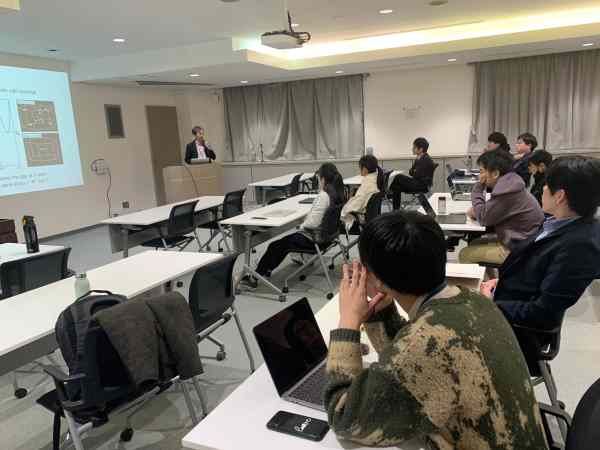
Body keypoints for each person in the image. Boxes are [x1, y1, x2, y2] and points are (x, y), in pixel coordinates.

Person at [324, 211, 548, 449]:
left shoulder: (426, 346)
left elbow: (344, 418)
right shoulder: (472, 300)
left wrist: (348, 321)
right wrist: (382, 310)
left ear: (375, 277)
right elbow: (406, 357)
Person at [480, 156, 600, 330]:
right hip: (507, 297)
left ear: (559, 196)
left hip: (515, 326)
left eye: (547, 185)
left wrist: (491, 305)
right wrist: (499, 283)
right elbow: (533, 271)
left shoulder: (580, 246)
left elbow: (543, 313)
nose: (543, 189)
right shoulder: (557, 222)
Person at [241, 163, 345, 288]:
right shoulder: (336, 193)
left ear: (323, 179)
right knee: (282, 244)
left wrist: (301, 226)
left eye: (318, 178)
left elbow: (313, 223)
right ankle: (267, 269)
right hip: (329, 238)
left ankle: (254, 277)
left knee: (276, 245)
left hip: (314, 239)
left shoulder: (324, 196)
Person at [459, 150, 544, 265]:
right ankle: (490, 277)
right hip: (523, 242)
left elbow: (483, 217)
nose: (480, 176)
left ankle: (490, 277)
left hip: (519, 249)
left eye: (482, 171)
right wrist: (479, 211)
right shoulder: (511, 183)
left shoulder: (507, 191)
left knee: (464, 254)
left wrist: (478, 188)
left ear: (495, 173)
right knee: (475, 243)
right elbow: (488, 211)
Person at [389, 137, 435, 210]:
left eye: (414, 147)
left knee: (398, 177)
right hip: (417, 183)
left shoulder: (425, 159)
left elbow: (416, 175)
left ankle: (388, 193)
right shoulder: (419, 158)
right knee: (396, 187)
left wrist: (414, 171)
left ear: (421, 149)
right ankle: (396, 210)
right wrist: (414, 171)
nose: (412, 149)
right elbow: (411, 172)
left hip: (422, 186)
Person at [340, 155, 380, 230]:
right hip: (371, 217)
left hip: (360, 219)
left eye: (360, 167)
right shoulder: (375, 179)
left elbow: (356, 205)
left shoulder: (367, 184)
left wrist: (343, 211)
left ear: (364, 169)